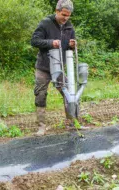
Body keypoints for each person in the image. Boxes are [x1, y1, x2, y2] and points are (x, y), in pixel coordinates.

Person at [31, 0, 76, 136]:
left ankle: (72, 122)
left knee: (69, 93)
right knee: (40, 94)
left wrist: (72, 45)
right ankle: (41, 127)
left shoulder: (69, 27)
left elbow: (69, 48)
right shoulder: (45, 23)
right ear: (56, 11)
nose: (66, 18)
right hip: (44, 66)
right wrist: (51, 43)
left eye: (68, 15)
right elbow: (34, 41)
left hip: (59, 66)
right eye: (63, 15)